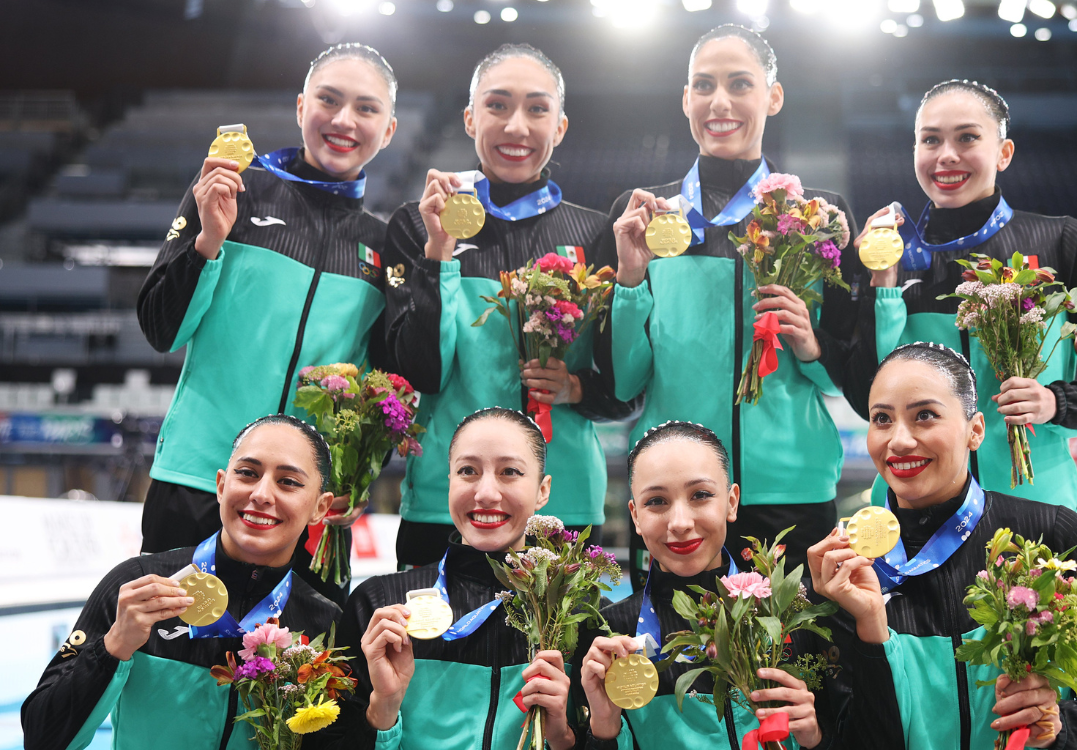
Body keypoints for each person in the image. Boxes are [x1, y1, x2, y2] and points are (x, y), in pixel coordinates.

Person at [592, 25, 864, 585]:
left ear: (773, 95)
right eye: (704, 86)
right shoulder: (644, 216)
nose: (720, 102)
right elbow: (623, 384)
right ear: (685, 99)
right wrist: (631, 277)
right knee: (679, 668)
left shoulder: (820, 217)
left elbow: (848, 381)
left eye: (740, 84)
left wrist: (812, 346)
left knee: (793, 666)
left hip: (792, 490)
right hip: (679, 498)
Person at [137, 43, 400, 604]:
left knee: (298, 681)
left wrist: (354, 477)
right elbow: (161, 328)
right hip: (198, 479)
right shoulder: (232, 189)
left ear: (390, 128)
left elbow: (384, 391)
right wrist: (209, 239)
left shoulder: (383, 245)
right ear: (301, 105)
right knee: (167, 660)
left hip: (305, 503)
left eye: (366, 108)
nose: (344, 120)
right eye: (329, 100)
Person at [810, 342, 1077, 750]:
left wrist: (1059, 730)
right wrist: (870, 632)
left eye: (925, 416)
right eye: (881, 418)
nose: (899, 440)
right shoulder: (842, 571)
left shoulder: (1053, 535)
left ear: (975, 431)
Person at [381, 44, 632, 569]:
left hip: (561, 506)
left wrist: (576, 387)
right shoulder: (417, 222)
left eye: (537, 109)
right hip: (445, 503)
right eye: (497, 106)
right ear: (471, 118)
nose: (516, 126)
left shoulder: (594, 234)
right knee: (434, 651)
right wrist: (438, 255)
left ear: (559, 127)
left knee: (553, 653)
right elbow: (419, 373)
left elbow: (627, 390)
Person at [844, 80, 1077, 509]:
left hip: (1036, 506)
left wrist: (1054, 403)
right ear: (915, 152)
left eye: (967, 137)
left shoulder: (1063, 242)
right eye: (930, 139)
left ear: (1004, 153)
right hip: (915, 511)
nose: (946, 154)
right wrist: (883, 289)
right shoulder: (887, 255)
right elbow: (863, 398)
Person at [22, 415, 340, 750]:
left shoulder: (323, 622)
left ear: (320, 507)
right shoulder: (137, 587)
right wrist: (113, 646)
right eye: (247, 473)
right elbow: (41, 738)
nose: (261, 494)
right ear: (221, 486)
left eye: (288, 481)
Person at [575, 421, 876, 750]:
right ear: (635, 516)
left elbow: (868, 733)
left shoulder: (793, 609)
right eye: (656, 502)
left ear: (731, 501)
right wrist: (603, 729)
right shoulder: (609, 633)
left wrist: (815, 740)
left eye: (700, 495)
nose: (680, 523)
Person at [320, 408, 581, 750]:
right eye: (468, 471)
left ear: (542, 490)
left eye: (510, 472)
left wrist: (561, 737)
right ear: (450, 482)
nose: (486, 492)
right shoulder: (380, 604)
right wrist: (383, 706)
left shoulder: (578, 611)